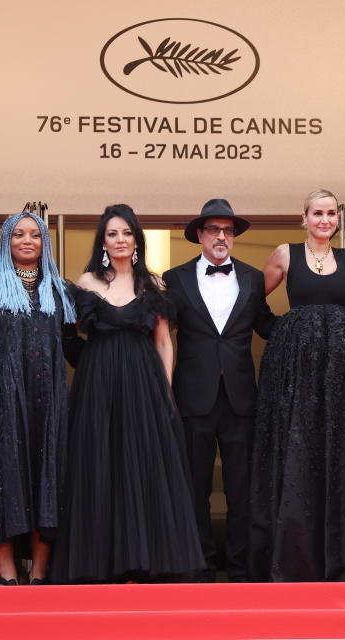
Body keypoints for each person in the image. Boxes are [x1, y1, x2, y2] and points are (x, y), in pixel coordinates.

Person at [250, 189, 345, 581]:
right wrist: (279, 330)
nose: (325, 219)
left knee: (343, 446)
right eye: (317, 213)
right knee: (301, 446)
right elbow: (252, 301)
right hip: (298, 368)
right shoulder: (285, 254)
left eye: (331, 213)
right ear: (304, 217)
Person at [52, 204, 204, 583]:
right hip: (97, 382)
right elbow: (68, 336)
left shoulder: (153, 286)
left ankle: (143, 562)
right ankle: (99, 564)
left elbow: (165, 343)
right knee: (99, 464)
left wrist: (163, 390)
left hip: (143, 382)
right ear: (103, 242)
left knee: (142, 468)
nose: (120, 240)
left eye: (126, 233)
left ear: (136, 239)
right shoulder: (85, 284)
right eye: (112, 234)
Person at [162, 199, 277, 582]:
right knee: (193, 488)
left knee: (241, 489)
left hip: (241, 397)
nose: (221, 236)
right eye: (214, 229)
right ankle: (200, 569)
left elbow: (267, 327)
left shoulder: (252, 277)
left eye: (228, 230)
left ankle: (243, 571)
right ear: (200, 234)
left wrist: (314, 323)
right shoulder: (173, 279)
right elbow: (159, 334)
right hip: (193, 398)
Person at [0, 212, 77, 585]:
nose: (27, 241)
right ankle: (8, 574)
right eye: (18, 235)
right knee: (2, 479)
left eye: (35, 235)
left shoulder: (60, 290)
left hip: (50, 400)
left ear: (45, 243)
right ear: (5, 242)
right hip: (4, 401)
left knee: (48, 481)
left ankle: (39, 572)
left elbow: (74, 346)